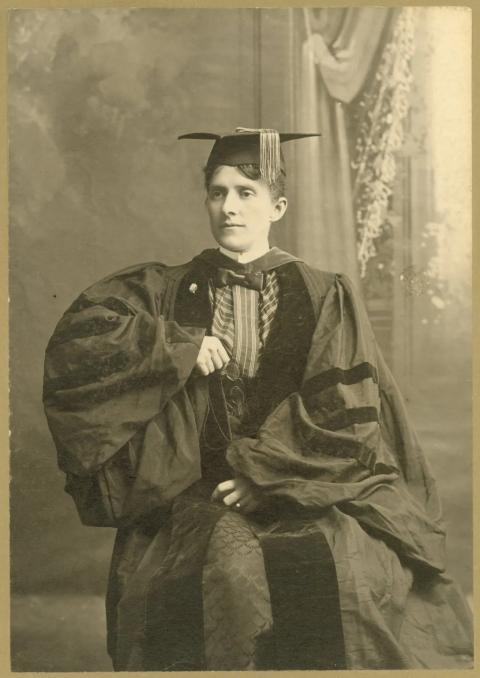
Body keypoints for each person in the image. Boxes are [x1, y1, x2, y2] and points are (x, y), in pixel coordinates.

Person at [43, 128, 473, 671]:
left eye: (247, 192)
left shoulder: (323, 293)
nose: (230, 207)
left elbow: (343, 414)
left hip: (306, 483)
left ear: (279, 205)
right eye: (217, 192)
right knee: (219, 574)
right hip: (193, 488)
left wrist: (264, 475)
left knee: (346, 576)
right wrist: (175, 347)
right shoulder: (169, 290)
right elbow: (79, 346)